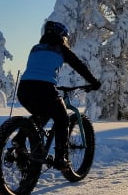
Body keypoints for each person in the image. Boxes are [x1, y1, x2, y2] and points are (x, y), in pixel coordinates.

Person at [13, 21, 100, 170]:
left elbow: (39, 69)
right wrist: (94, 82)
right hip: (45, 89)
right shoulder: (61, 49)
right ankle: (61, 158)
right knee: (62, 119)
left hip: (24, 90)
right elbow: (80, 66)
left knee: (41, 114)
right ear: (62, 36)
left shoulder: (35, 48)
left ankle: (20, 140)